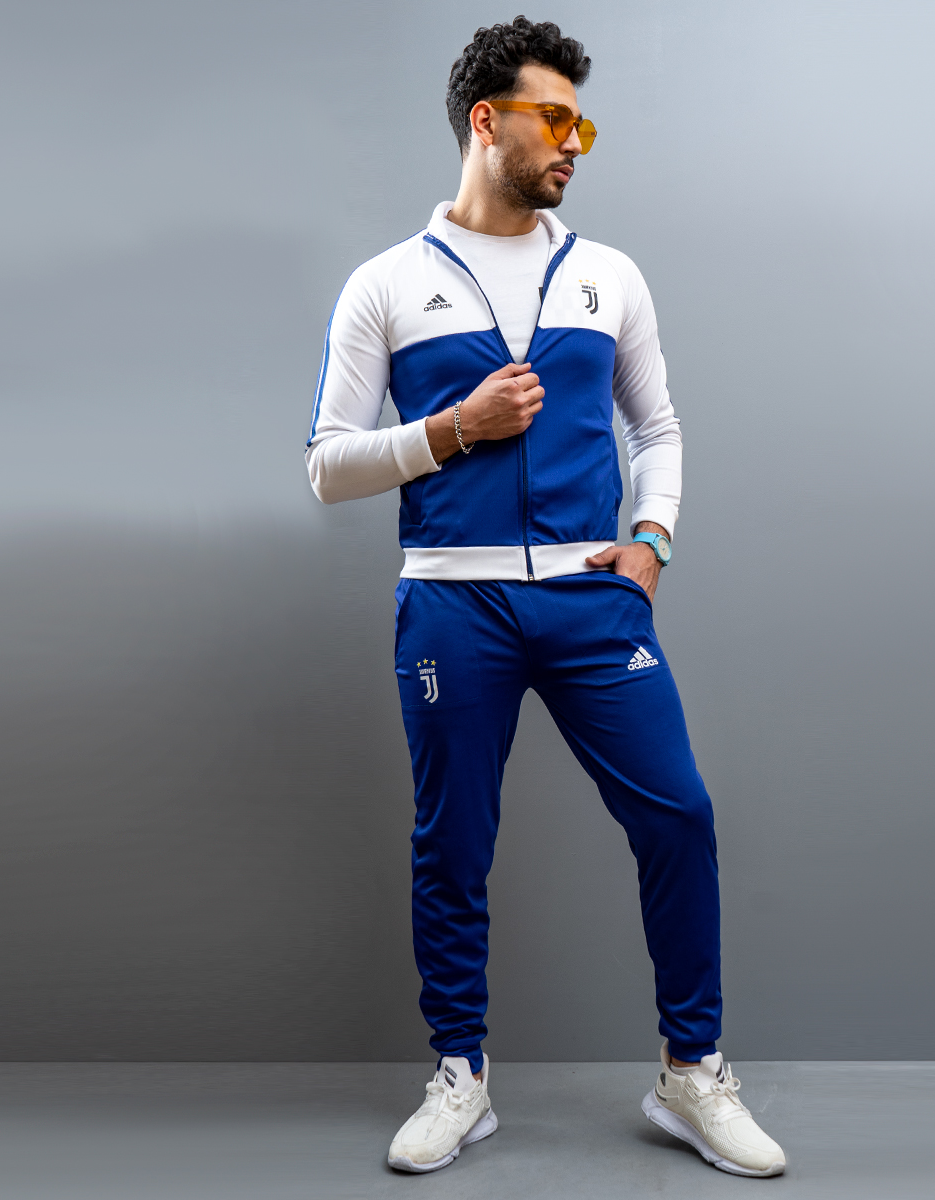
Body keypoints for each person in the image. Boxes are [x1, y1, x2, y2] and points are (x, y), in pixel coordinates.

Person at [306, 16, 786, 1179]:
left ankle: (691, 1073)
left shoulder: (608, 275)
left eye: (584, 124)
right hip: (451, 605)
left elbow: (657, 428)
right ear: (488, 122)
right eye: (555, 119)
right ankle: (460, 1077)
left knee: (678, 816)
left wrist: (652, 540)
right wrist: (451, 430)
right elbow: (327, 465)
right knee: (453, 842)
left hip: (589, 599)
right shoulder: (387, 284)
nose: (575, 141)